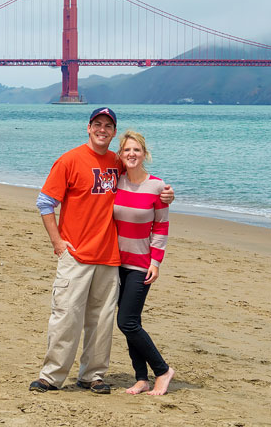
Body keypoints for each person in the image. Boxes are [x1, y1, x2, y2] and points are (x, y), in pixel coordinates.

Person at [30, 107, 173, 395]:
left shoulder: (116, 162)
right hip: (77, 254)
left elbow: (140, 179)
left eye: (108, 125)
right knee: (66, 316)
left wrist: (165, 194)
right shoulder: (70, 160)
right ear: (88, 128)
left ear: (113, 132)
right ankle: (52, 376)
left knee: (101, 321)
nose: (102, 129)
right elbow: (45, 203)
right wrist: (57, 242)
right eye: (98, 124)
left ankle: (93, 375)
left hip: (110, 257)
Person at [114, 130, 175, 395]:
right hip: (115, 262)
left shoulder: (158, 187)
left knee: (126, 322)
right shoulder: (115, 182)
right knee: (132, 321)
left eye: (136, 150)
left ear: (144, 154)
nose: (131, 154)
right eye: (127, 150)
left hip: (141, 265)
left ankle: (162, 370)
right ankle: (141, 378)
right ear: (121, 154)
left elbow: (161, 226)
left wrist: (156, 262)